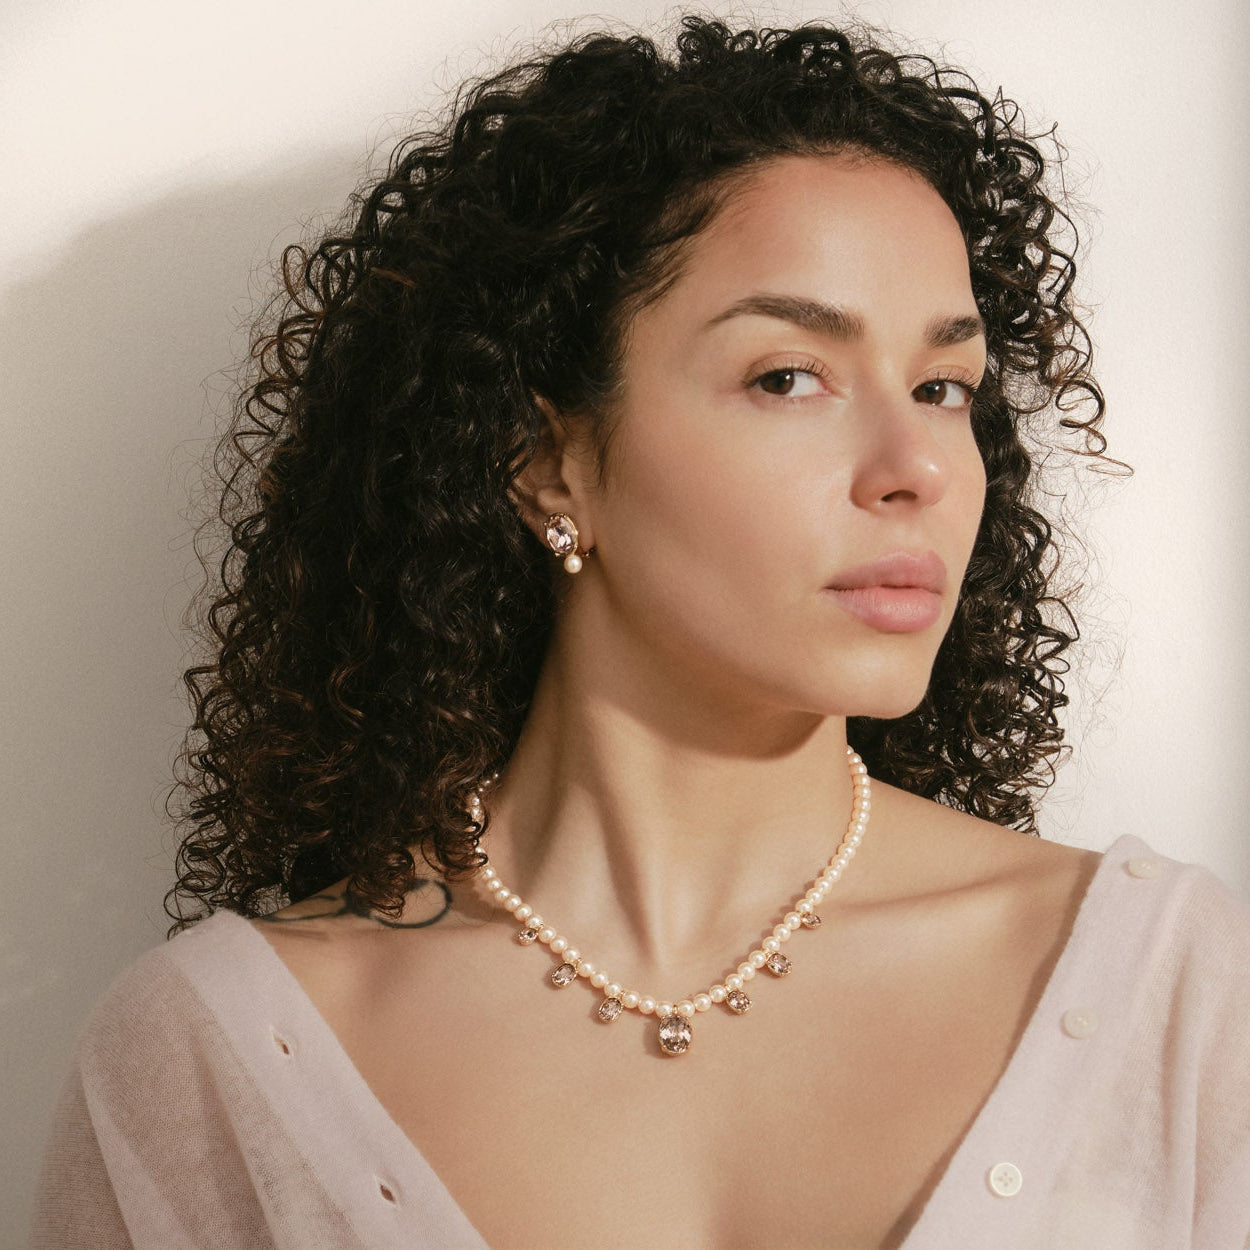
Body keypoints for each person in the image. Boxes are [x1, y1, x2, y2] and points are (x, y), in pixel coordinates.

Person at [28, 14, 1250, 1250]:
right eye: (788, 376)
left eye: (942, 388)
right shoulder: (216, 1053)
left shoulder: (1172, 997)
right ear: (550, 460)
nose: (915, 468)